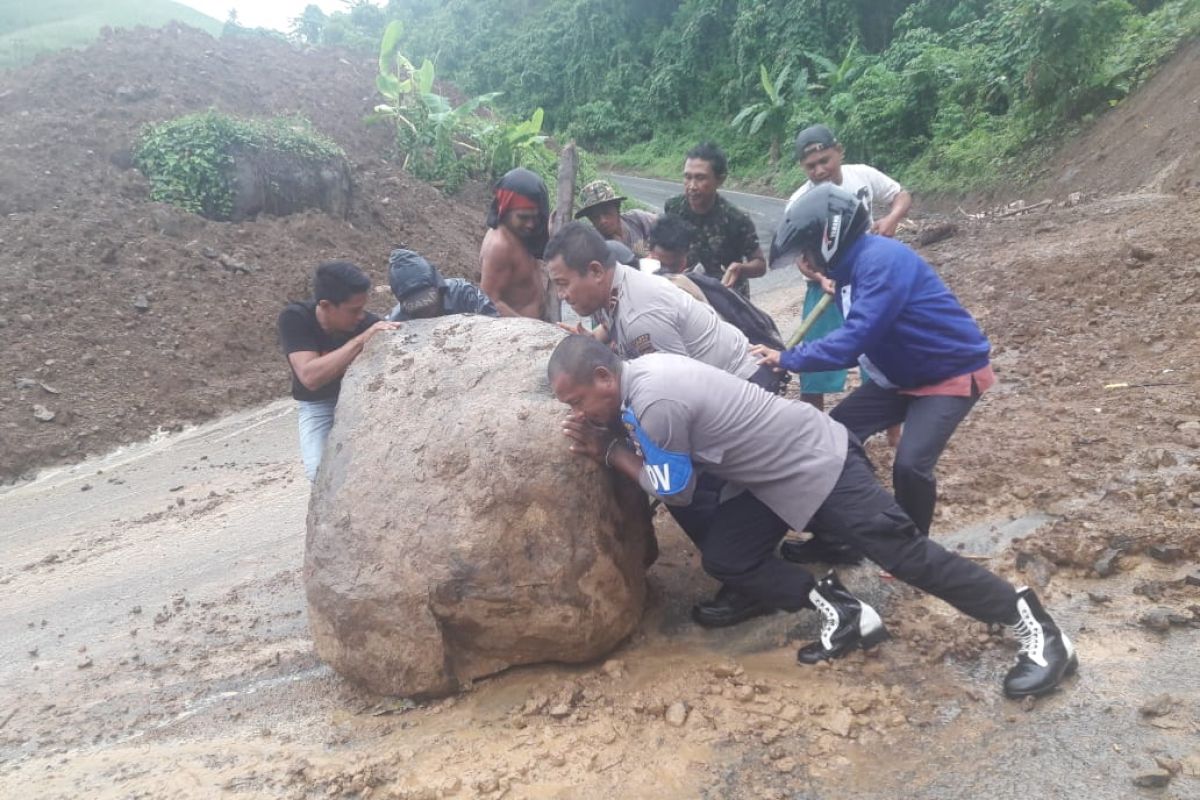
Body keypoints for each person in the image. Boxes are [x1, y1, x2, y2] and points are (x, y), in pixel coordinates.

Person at [549, 335, 1076, 699]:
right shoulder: (634, 390)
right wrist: (614, 437)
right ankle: (844, 612)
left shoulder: (654, 398)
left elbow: (679, 491)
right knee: (728, 556)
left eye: (577, 401)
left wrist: (609, 452)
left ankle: (1034, 626)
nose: (578, 414)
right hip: (772, 477)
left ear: (603, 376)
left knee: (902, 552)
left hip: (816, 460)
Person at [545, 222, 780, 627]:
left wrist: (615, 446)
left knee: (679, 484)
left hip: (744, 383)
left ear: (597, 271)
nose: (563, 296)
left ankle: (748, 579)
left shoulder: (643, 318)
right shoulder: (613, 290)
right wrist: (591, 341)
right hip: (724, 377)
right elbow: (612, 327)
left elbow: (671, 394)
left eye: (564, 285)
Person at [752, 184, 995, 555]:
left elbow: (854, 340)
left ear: (828, 238)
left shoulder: (880, 260)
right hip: (898, 377)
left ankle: (915, 552)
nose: (806, 261)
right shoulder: (850, 275)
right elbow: (857, 347)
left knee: (911, 465)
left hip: (949, 374)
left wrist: (788, 358)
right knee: (832, 438)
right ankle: (842, 537)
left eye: (806, 250)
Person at [786, 124, 913, 415]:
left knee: (883, 352)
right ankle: (813, 426)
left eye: (824, 161)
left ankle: (894, 429)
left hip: (870, 278)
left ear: (839, 152)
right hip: (825, 285)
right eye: (810, 166)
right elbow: (801, 258)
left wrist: (892, 219)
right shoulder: (798, 202)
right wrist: (820, 277)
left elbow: (902, 195)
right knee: (814, 363)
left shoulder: (862, 175)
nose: (819, 170)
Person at [278, 261, 400, 481]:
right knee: (320, 473)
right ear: (325, 306)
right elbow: (310, 376)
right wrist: (360, 342)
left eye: (363, 308)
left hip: (359, 398)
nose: (361, 316)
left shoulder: (367, 324)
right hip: (317, 404)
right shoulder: (296, 319)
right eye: (354, 310)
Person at [663, 142, 765, 298]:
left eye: (700, 178)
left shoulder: (736, 219)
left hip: (727, 298)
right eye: (687, 177)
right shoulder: (673, 208)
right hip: (686, 294)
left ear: (720, 180)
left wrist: (740, 268)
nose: (692, 186)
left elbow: (760, 264)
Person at [480, 167, 558, 321]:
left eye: (535, 218)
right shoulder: (500, 246)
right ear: (504, 210)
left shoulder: (522, 234)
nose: (531, 224)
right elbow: (490, 301)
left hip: (539, 327)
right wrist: (529, 330)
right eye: (523, 217)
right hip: (521, 336)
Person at [386, 248, 498, 321]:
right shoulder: (397, 321)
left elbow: (496, 321)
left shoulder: (462, 294)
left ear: (438, 286)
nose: (426, 312)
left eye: (427, 300)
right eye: (416, 308)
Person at [575, 180, 658, 258]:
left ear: (617, 208)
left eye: (606, 212)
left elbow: (667, 225)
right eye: (595, 217)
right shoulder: (595, 245)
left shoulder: (638, 219)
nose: (602, 220)